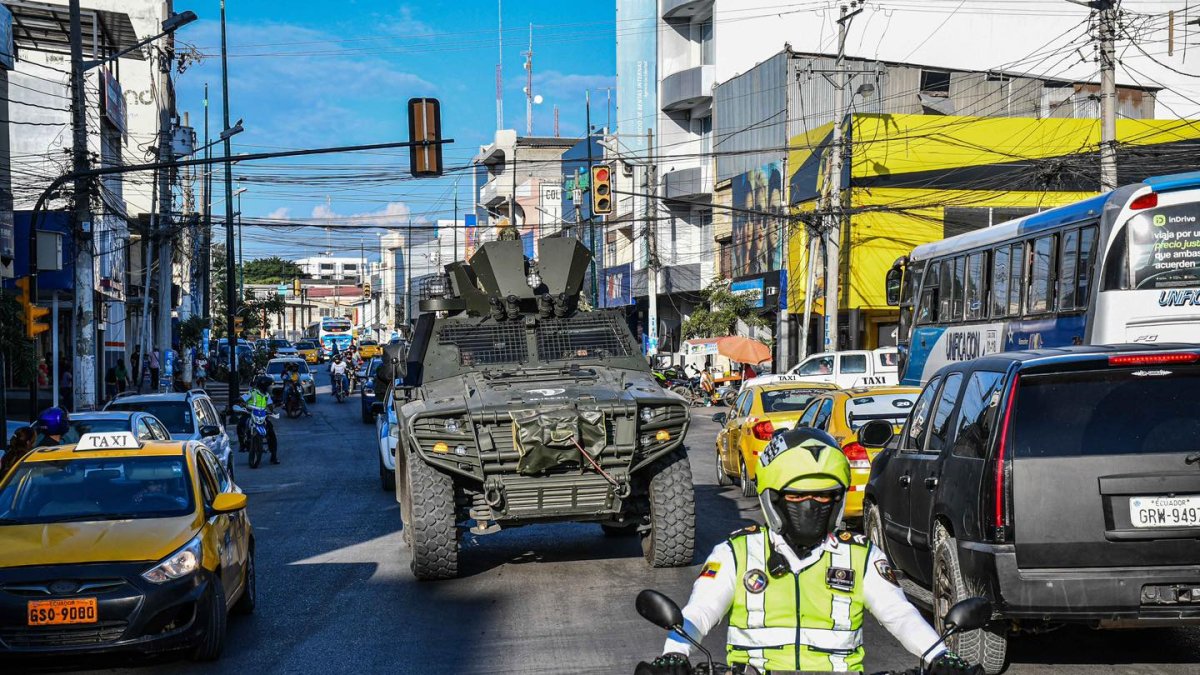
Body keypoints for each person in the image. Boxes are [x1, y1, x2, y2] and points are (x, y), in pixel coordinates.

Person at [639, 427, 979, 675]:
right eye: (798, 497)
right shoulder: (737, 553)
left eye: (823, 497)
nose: (811, 505)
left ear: (837, 502)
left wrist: (939, 656)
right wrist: (675, 654)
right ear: (773, 500)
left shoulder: (860, 557)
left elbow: (900, 615)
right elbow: (698, 613)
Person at [239, 375, 280, 464]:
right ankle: (242, 445)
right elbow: (241, 399)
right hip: (250, 414)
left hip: (262, 416)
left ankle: (274, 456)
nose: (270, 388)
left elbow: (270, 406)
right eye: (269, 385)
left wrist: (273, 411)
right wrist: (242, 404)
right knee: (240, 425)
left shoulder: (267, 395)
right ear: (264, 386)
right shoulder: (252, 392)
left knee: (272, 434)